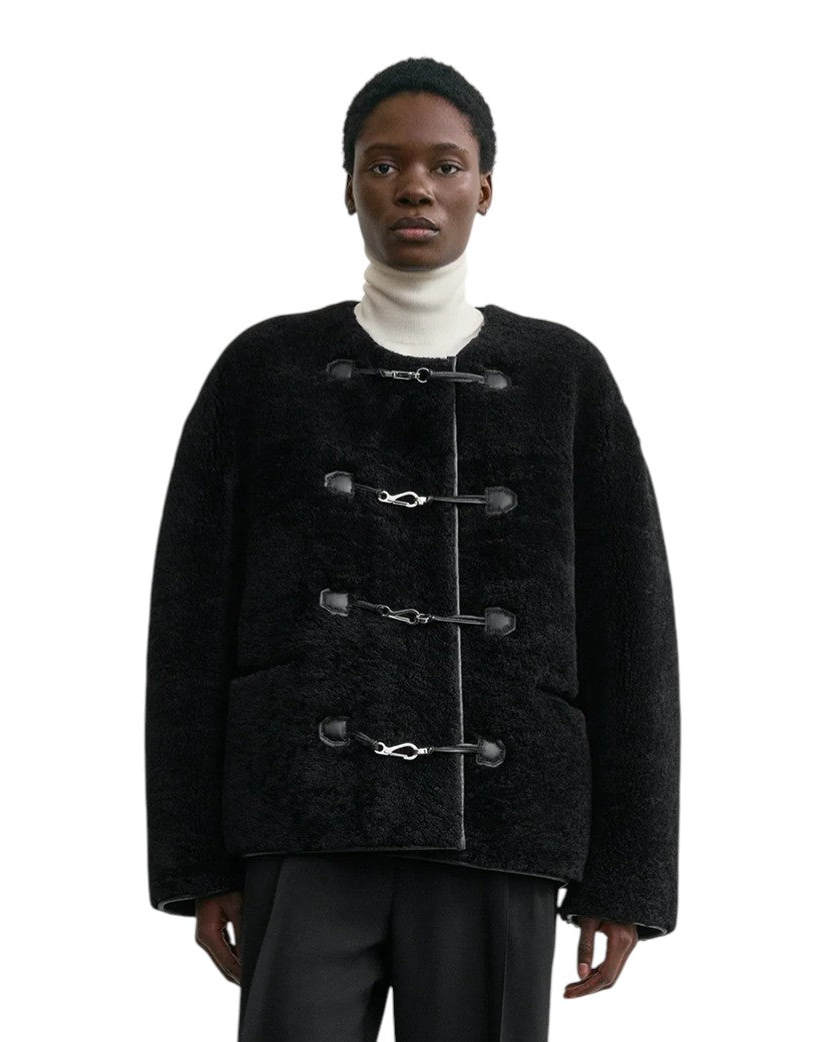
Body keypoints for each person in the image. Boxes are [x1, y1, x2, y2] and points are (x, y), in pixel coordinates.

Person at [145, 57, 680, 1042]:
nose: (415, 188)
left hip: (504, 825)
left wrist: (627, 875)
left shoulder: (563, 376)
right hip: (300, 817)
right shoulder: (264, 369)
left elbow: (632, 632)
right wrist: (194, 862)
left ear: (485, 187)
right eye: (383, 164)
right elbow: (187, 624)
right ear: (348, 185)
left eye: (444, 165)